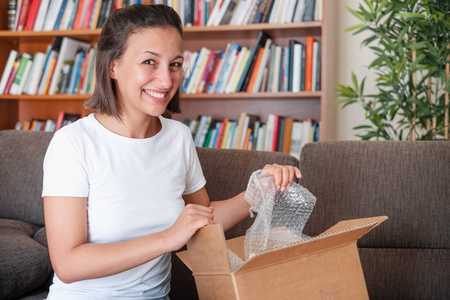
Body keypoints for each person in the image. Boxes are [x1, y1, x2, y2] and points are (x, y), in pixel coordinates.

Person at [42, 4, 301, 300]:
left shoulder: (178, 137)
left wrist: (262, 188)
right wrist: (167, 238)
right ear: (113, 65)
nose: (166, 81)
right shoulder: (73, 144)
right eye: (150, 62)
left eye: (175, 64)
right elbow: (68, 263)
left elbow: (202, 220)